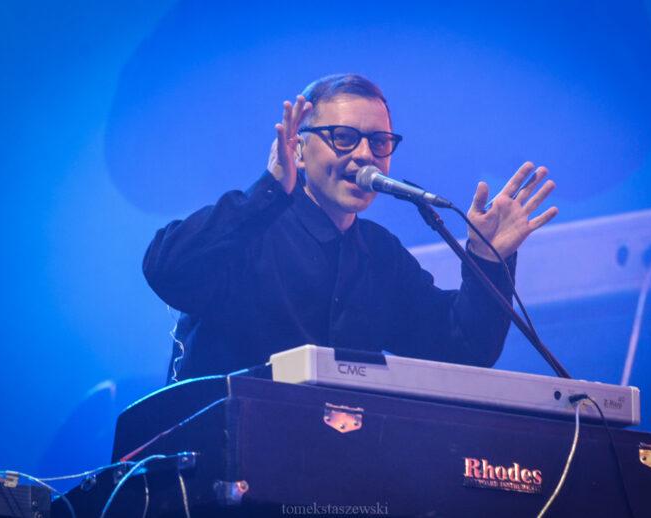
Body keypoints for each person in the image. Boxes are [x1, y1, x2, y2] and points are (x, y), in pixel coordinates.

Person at [143, 73, 557, 384]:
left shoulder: (380, 255)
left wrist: (488, 260)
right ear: (298, 149)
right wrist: (269, 188)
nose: (364, 155)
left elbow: (463, 347)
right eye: (343, 137)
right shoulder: (251, 229)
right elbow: (167, 270)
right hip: (220, 459)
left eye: (379, 142)